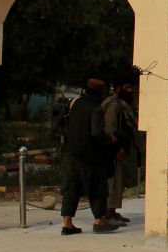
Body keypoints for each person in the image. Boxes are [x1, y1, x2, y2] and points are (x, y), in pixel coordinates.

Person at [59, 78, 115, 235]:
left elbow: (61, 123)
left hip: (71, 152)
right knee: (97, 186)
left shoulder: (74, 103)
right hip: (90, 155)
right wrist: (110, 139)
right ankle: (99, 221)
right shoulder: (96, 108)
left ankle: (67, 224)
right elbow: (96, 133)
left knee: (70, 186)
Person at [99, 70, 142, 225]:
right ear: (118, 88)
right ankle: (107, 214)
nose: (130, 91)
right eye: (127, 88)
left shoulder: (124, 104)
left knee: (119, 183)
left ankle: (113, 211)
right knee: (113, 183)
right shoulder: (113, 104)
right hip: (114, 152)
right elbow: (110, 130)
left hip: (123, 150)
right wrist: (118, 148)